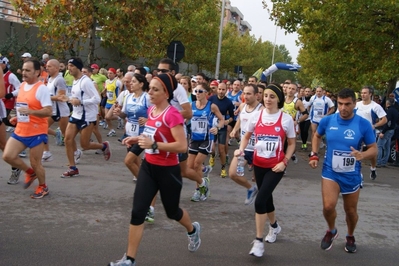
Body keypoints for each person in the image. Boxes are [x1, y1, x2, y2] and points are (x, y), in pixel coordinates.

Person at [109, 74, 201, 266]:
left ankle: (192, 230)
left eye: (155, 89)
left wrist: (155, 144)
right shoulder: (151, 110)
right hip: (149, 168)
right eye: (149, 88)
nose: (150, 92)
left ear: (166, 93)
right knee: (138, 212)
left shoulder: (173, 114)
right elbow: (150, 134)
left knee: (172, 212)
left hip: (168, 171)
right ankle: (129, 259)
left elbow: (182, 146)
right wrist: (138, 140)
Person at [309, 88, 377, 253]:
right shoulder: (328, 121)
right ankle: (331, 231)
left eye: (347, 104)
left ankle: (350, 235)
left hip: (351, 174)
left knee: (351, 211)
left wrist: (362, 154)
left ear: (354, 104)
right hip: (330, 170)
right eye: (340, 103)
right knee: (328, 206)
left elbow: (374, 149)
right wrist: (314, 154)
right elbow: (317, 136)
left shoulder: (363, 124)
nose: (343, 108)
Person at [236, 83, 296, 257]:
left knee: (260, 200)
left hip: (276, 167)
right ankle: (275, 227)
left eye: (272, 96)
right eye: (266, 96)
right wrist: (241, 149)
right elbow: (246, 137)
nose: (268, 99)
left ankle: (258, 241)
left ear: (279, 99)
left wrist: (285, 161)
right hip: (259, 165)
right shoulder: (256, 116)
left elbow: (291, 144)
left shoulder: (286, 119)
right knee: (266, 197)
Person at [2, 58, 53, 198]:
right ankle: (30, 173)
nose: (23, 73)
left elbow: (48, 111)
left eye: (27, 70)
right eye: (23, 70)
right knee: (8, 156)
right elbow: (23, 107)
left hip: (37, 131)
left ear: (37, 72)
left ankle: (43, 186)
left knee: (36, 162)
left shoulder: (41, 88)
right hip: (21, 129)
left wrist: (31, 112)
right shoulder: (23, 85)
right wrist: (18, 117)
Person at [60, 58, 111, 177]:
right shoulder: (75, 81)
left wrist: (81, 102)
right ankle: (73, 168)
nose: (69, 68)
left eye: (71, 66)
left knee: (85, 145)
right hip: (76, 115)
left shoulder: (86, 81)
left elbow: (97, 99)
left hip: (87, 116)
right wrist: (67, 98)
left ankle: (104, 146)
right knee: (67, 139)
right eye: (68, 65)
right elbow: (75, 97)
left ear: (78, 67)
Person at [189, 82, 224, 202]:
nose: (197, 93)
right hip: (194, 138)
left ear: (206, 93)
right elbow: (184, 118)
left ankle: (198, 191)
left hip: (206, 139)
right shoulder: (191, 105)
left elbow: (221, 119)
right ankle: (204, 180)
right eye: (195, 91)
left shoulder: (212, 106)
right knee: (189, 167)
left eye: (200, 91)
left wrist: (217, 128)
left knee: (196, 164)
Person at [229, 84, 263, 205]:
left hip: (258, 150)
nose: (246, 96)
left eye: (249, 94)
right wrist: (235, 130)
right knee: (233, 173)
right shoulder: (243, 106)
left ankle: (263, 206)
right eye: (244, 93)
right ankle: (251, 188)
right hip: (244, 148)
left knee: (260, 180)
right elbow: (240, 119)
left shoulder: (261, 110)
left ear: (256, 95)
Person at [114, 73, 151, 184]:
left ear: (141, 84)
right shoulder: (129, 97)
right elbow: (125, 115)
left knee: (129, 160)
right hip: (130, 134)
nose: (130, 84)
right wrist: (119, 113)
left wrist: (147, 120)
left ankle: (144, 184)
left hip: (143, 134)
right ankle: (145, 181)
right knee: (133, 160)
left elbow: (156, 114)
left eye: (134, 81)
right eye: (131, 82)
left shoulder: (147, 97)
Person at [355, 86, 387, 180]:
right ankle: (359, 174)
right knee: (358, 151)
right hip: (358, 131)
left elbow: (384, 119)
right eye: (362, 93)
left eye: (365, 93)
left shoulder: (375, 106)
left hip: (369, 132)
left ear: (370, 94)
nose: (363, 95)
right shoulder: (357, 105)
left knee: (372, 153)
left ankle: (373, 168)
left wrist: (374, 125)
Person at [41, 59, 70, 162]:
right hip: (51, 110)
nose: (47, 68)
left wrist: (46, 97)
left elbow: (61, 96)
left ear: (57, 68)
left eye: (49, 66)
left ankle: (76, 152)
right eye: (46, 66)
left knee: (66, 136)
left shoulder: (59, 80)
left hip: (61, 111)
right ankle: (46, 153)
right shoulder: (49, 78)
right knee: (42, 129)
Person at [377, 98, 399, 167]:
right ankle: (384, 161)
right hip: (392, 130)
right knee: (387, 147)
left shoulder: (389, 111)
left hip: (387, 130)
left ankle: (379, 162)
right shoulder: (396, 111)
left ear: (388, 103)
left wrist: (383, 132)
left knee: (379, 145)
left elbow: (387, 122)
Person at [104, 68, 122, 136]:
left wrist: (119, 101)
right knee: (106, 117)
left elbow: (121, 91)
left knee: (108, 117)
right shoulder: (106, 81)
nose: (109, 74)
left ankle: (119, 118)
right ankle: (112, 130)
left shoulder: (117, 82)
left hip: (114, 102)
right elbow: (106, 89)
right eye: (108, 73)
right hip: (108, 101)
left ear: (115, 74)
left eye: (111, 73)